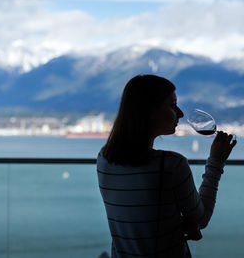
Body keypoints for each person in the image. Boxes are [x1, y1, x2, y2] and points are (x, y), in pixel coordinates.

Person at [97, 74, 236, 258]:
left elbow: (139, 215)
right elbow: (202, 219)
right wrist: (216, 162)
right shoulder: (171, 164)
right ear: (150, 111)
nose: (180, 113)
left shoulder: (104, 158)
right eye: (172, 105)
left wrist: (176, 223)